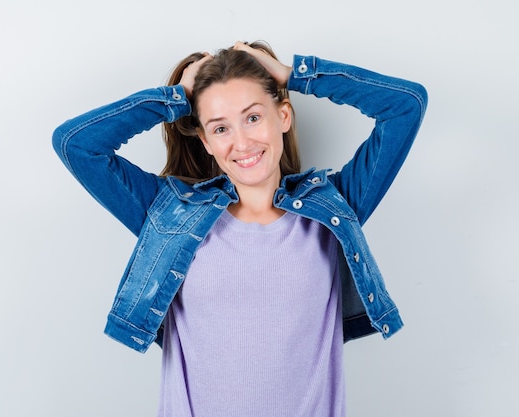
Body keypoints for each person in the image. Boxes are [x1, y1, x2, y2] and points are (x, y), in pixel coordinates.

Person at [52, 41, 427, 416]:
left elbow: (405, 106)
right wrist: (176, 97)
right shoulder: (170, 217)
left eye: (252, 117)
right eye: (220, 128)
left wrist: (294, 74)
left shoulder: (333, 211)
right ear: (206, 141)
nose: (242, 142)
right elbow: (76, 145)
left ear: (283, 116)